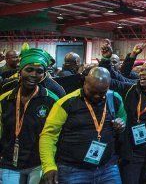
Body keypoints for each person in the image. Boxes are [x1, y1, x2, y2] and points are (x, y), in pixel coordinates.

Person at [40, 67, 127, 184]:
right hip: (73, 170)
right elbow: (48, 135)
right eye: (92, 91)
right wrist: (49, 166)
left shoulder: (115, 99)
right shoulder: (66, 103)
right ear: (84, 82)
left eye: (102, 93)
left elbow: (123, 120)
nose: (97, 96)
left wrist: (121, 125)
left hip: (108, 168)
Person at [0, 48, 59, 183]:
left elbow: (55, 133)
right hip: (8, 163)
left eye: (39, 71)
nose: (33, 74)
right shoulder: (5, 99)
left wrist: (50, 164)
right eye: (29, 69)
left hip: (37, 164)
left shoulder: (51, 99)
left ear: (44, 74)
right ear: (20, 71)